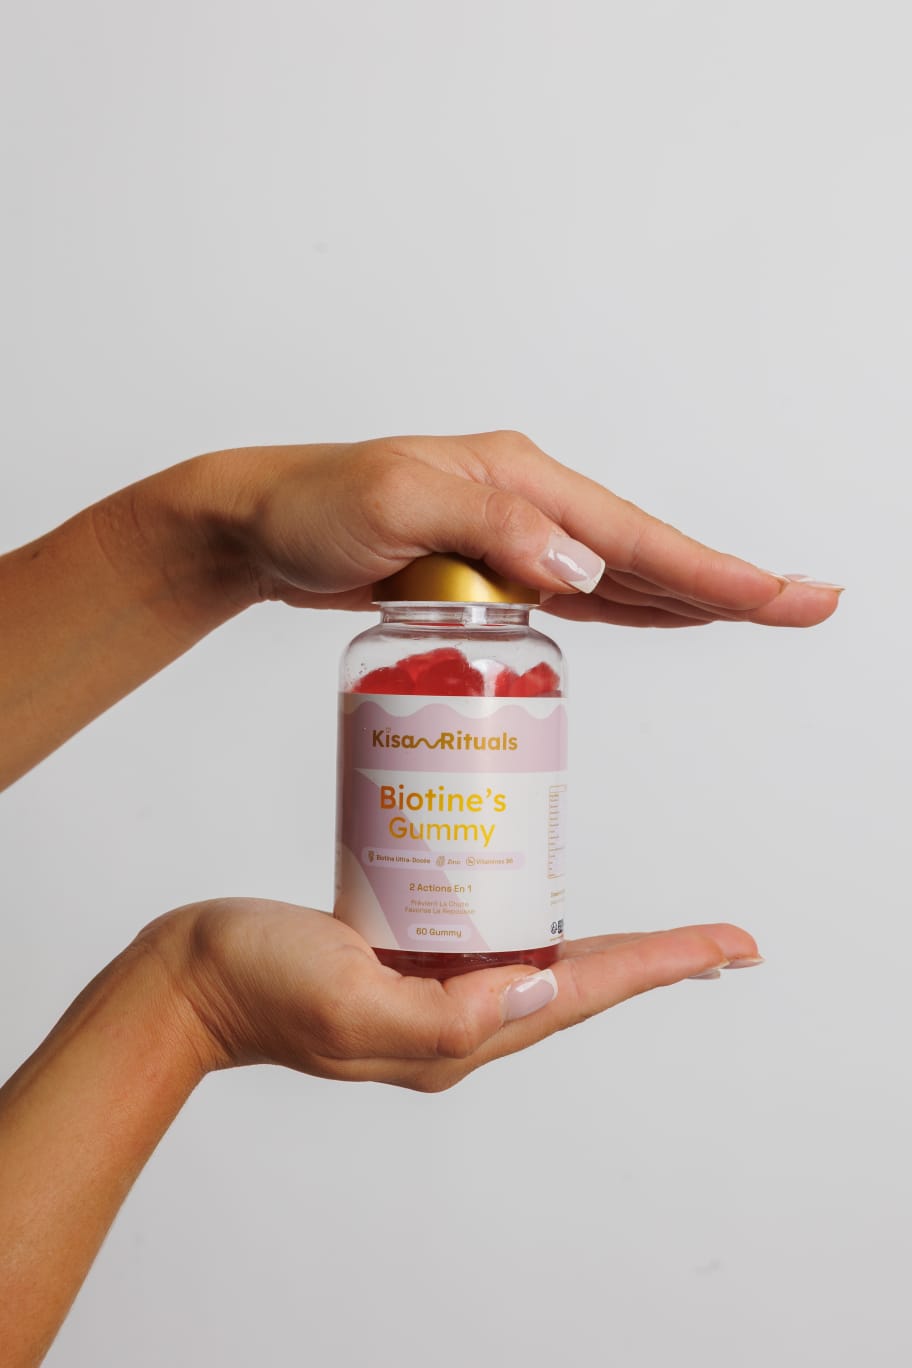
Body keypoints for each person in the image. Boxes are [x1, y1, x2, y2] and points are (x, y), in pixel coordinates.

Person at [0, 431, 841, 1366]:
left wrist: (228, 535)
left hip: (498, 921)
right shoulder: (377, 652)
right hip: (396, 929)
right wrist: (190, 1000)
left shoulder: (530, 661)